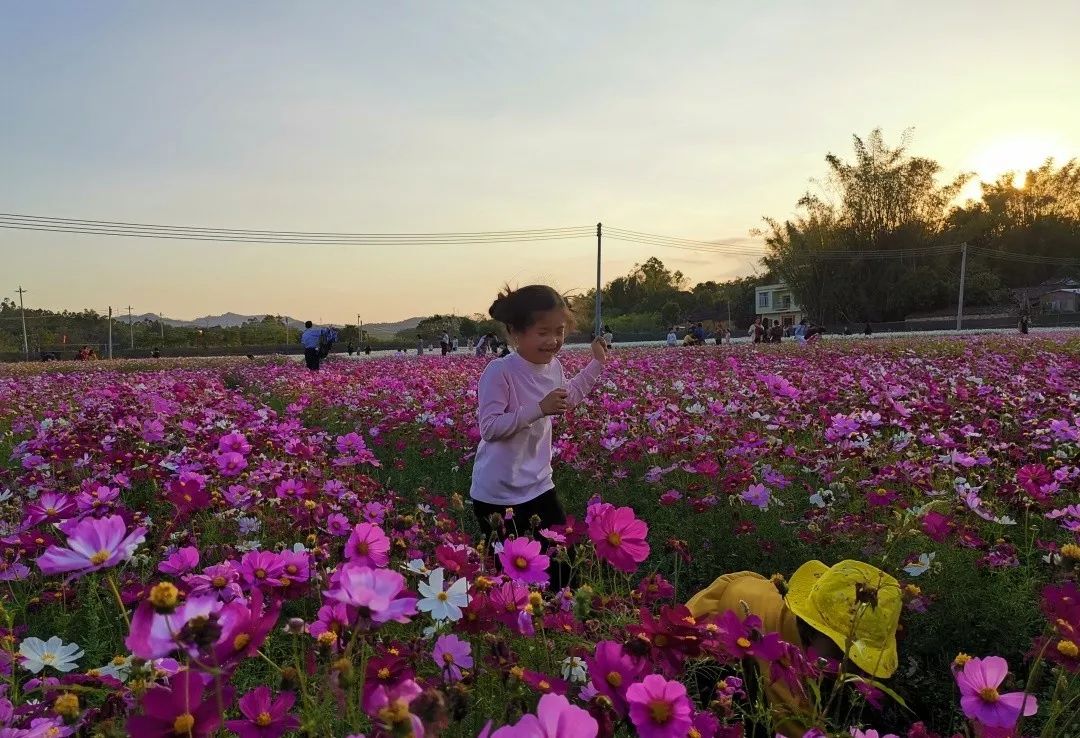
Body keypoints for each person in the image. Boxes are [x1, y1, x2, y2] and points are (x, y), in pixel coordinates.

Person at [470, 285, 608, 589]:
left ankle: (564, 622)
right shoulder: (500, 371)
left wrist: (596, 364)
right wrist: (538, 409)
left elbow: (567, 398)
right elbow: (490, 428)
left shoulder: (554, 366)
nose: (553, 341)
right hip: (497, 493)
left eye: (559, 331)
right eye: (543, 332)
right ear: (515, 332)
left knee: (563, 567)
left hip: (539, 483)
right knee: (510, 577)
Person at [688, 560, 901, 738]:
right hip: (712, 633)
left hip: (752, 590)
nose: (851, 661)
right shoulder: (781, 654)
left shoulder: (800, 621)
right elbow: (794, 728)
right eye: (841, 651)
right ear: (811, 632)